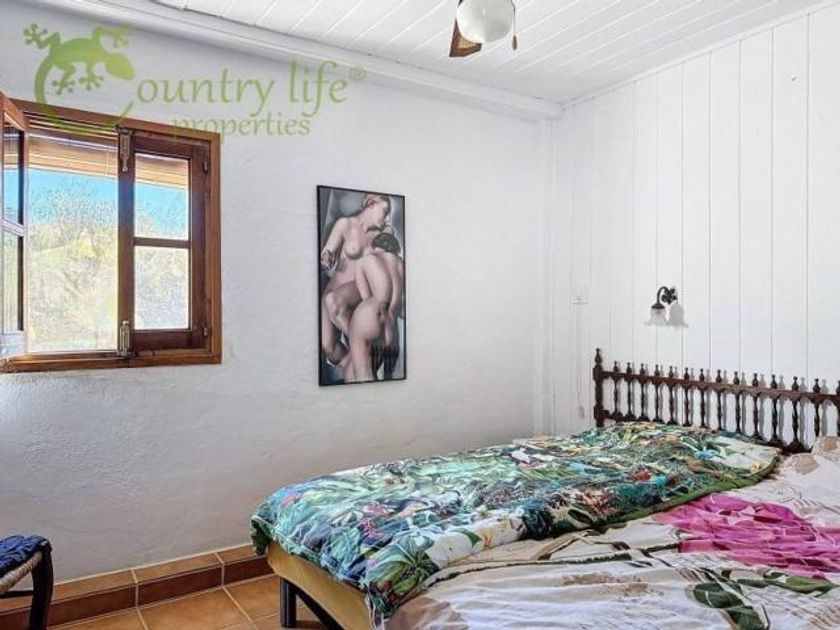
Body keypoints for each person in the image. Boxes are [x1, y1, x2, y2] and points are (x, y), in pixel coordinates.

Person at [319, 193, 391, 370]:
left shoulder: (385, 234)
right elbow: (327, 252)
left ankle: (362, 351)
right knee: (328, 347)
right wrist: (326, 258)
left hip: (357, 289)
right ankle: (356, 362)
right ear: (371, 204)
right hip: (334, 286)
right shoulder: (345, 224)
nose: (388, 219)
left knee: (333, 302)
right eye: (385, 211)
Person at [346, 232, 404, 383]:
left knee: (363, 377)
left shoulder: (366, 260)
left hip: (370, 317)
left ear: (375, 246)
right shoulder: (401, 264)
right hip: (390, 324)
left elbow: (365, 296)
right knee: (358, 375)